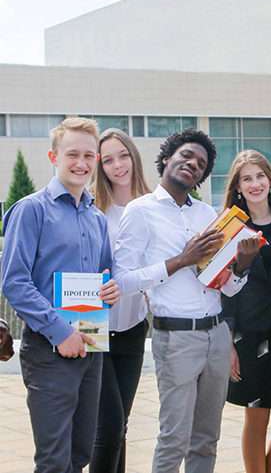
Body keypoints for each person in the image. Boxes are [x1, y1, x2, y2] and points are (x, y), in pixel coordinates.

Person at [112, 127, 250, 473]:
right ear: (166, 158)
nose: (193, 164)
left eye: (201, 164)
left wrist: (242, 267)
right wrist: (181, 260)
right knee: (174, 438)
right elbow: (122, 280)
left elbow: (226, 287)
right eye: (186, 155)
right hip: (176, 338)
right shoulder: (140, 210)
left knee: (207, 438)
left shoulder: (207, 215)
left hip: (216, 334)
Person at [1, 116, 119, 473]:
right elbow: (14, 282)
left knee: (80, 455)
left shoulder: (96, 218)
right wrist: (60, 331)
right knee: (54, 461)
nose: (81, 163)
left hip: (91, 346)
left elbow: (104, 275)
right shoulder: (31, 210)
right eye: (72, 154)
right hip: (49, 351)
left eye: (88, 155)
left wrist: (111, 289)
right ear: (54, 157)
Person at [221, 150, 271, 473]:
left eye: (259, 176)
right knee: (256, 417)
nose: (255, 184)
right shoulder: (230, 226)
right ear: (238, 186)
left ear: (270, 180)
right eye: (247, 179)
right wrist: (227, 341)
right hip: (250, 332)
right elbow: (222, 288)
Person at [89, 128, 151, 473]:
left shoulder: (152, 207)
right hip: (93, 329)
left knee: (120, 426)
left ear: (134, 157)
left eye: (123, 156)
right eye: (108, 160)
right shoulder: (93, 210)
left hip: (133, 328)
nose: (118, 166)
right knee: (108, 428)